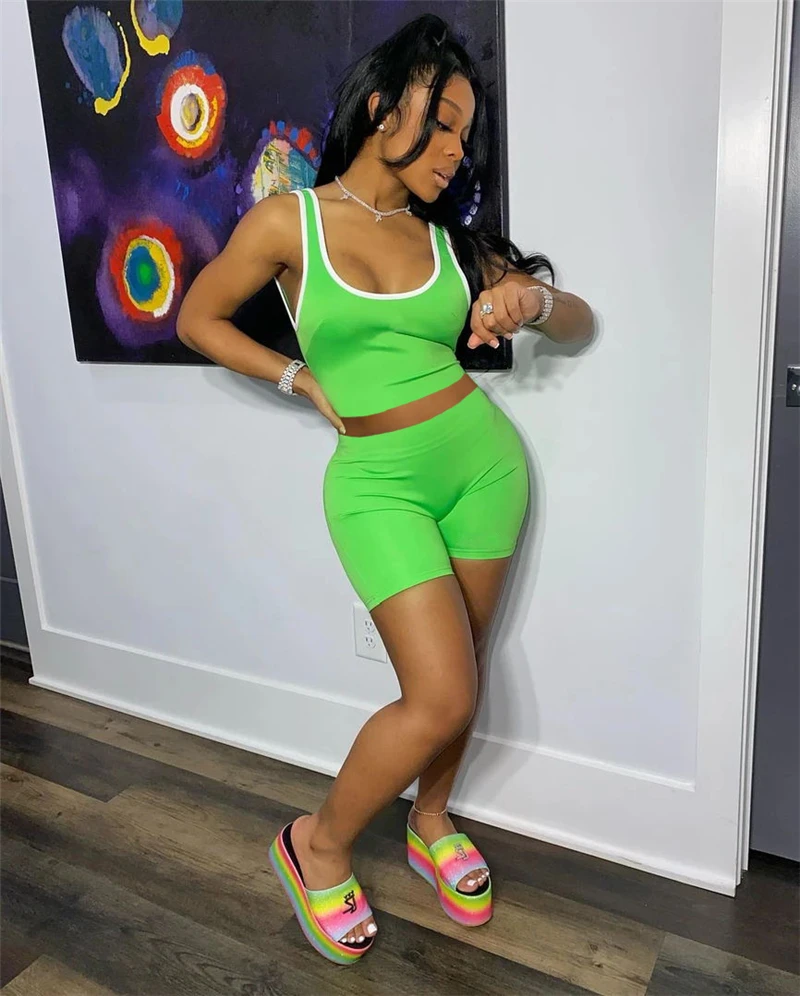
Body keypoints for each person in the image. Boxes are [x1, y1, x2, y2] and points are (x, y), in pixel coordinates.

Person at [177, 13, 593, 965]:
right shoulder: (289, 222)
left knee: (464, 673)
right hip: (377, 485)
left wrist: (532, 299)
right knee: (439, 693)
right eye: (442, 123)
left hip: (485, 470)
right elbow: (198, 318)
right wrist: (298, 378)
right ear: (381, 106)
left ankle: (430, 821)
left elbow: (577, 321)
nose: (455, 151)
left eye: (466, 135)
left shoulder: (450, 242)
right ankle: (315, 844)